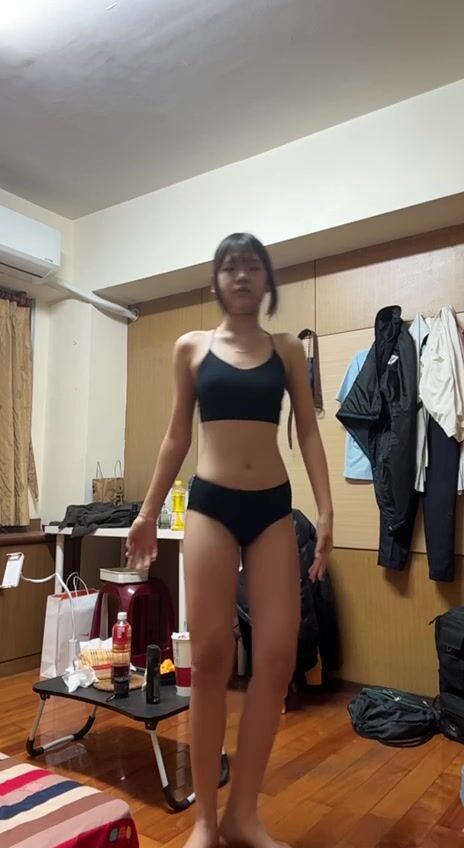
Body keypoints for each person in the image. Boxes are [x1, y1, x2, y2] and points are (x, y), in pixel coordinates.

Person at [126, 233, 333, 848]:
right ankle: (205, 822)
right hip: (212, 507)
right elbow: (176, 437)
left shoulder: (286, 349)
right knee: (212, 657)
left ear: (267, 280)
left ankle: (243, 815)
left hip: (271, 510)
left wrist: (326, 513)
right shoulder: (191, 348)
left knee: (277, 656)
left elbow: (309, 431)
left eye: (251, 266)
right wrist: (147, 513)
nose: (240, 275)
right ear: (216, 281)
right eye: (229, 267)